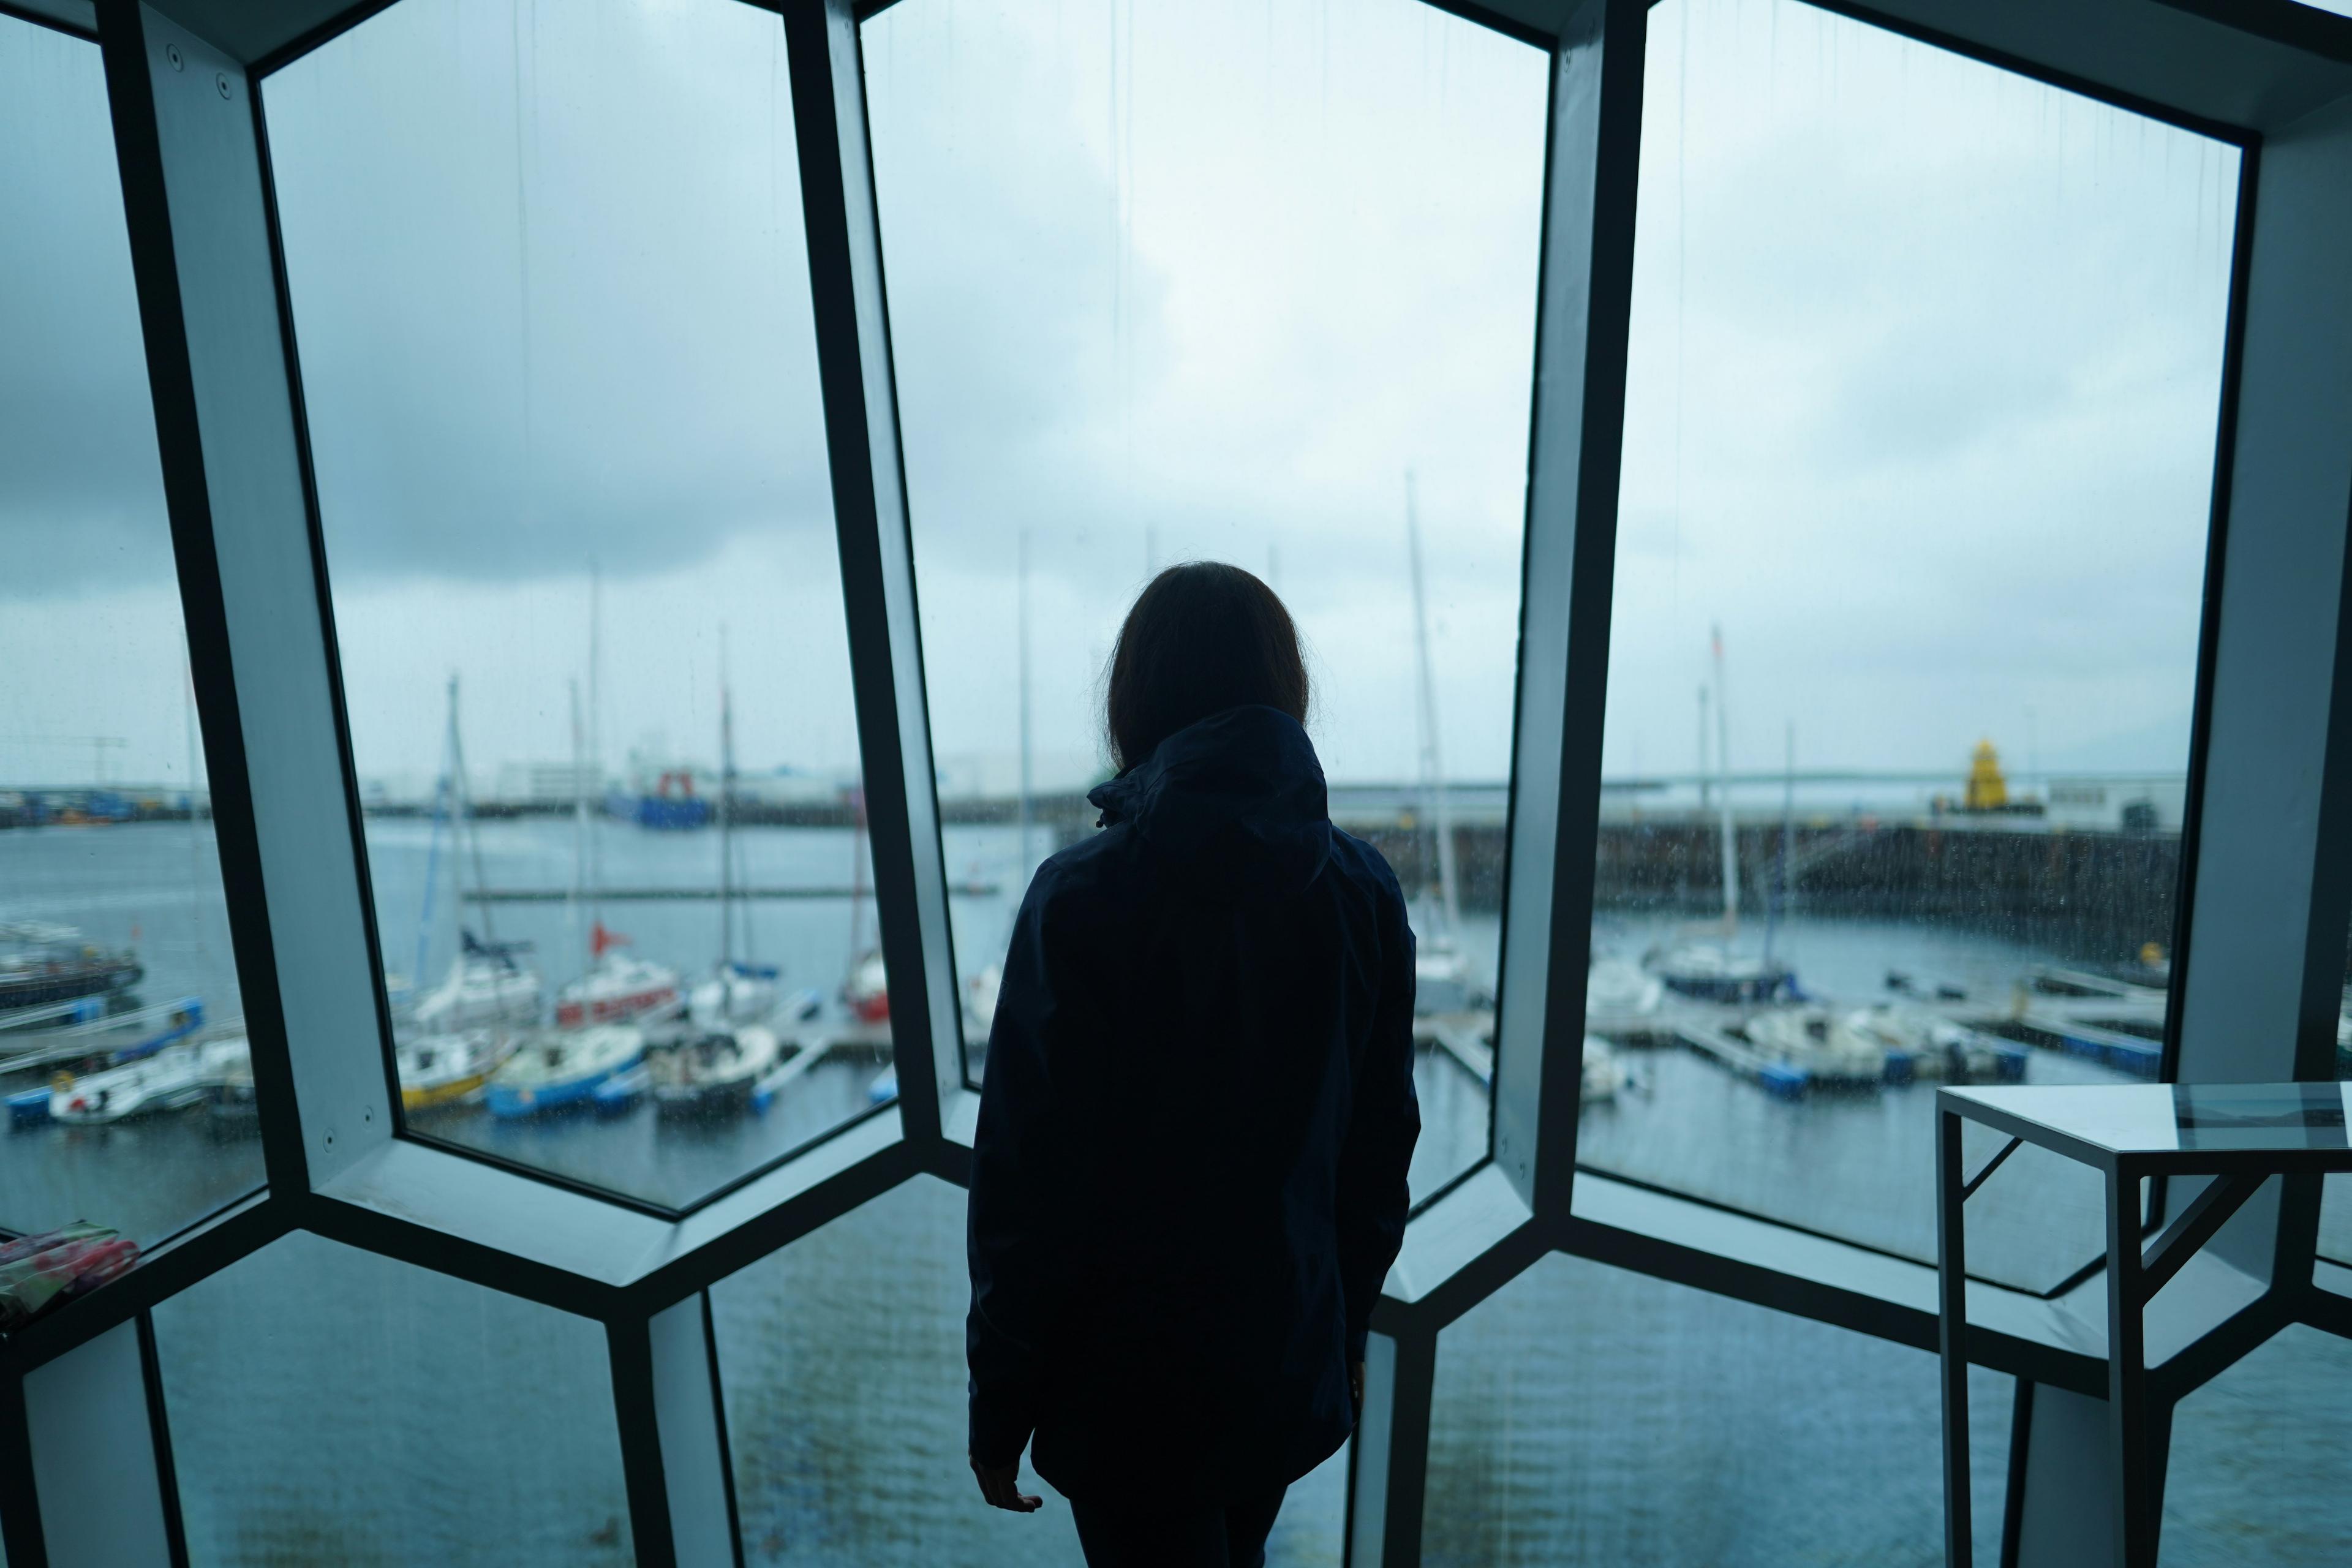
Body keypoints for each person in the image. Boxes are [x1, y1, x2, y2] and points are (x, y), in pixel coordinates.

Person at [966, 561, 1421, 1567]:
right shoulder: (1362, 891)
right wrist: (1342, 1332)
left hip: (1122, 1393)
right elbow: (1379, 1144)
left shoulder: (1079, 898)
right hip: (1281, 1365)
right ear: (1284, 689)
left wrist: (1000, 1406)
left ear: (1136, 697)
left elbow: (1026, 1188)